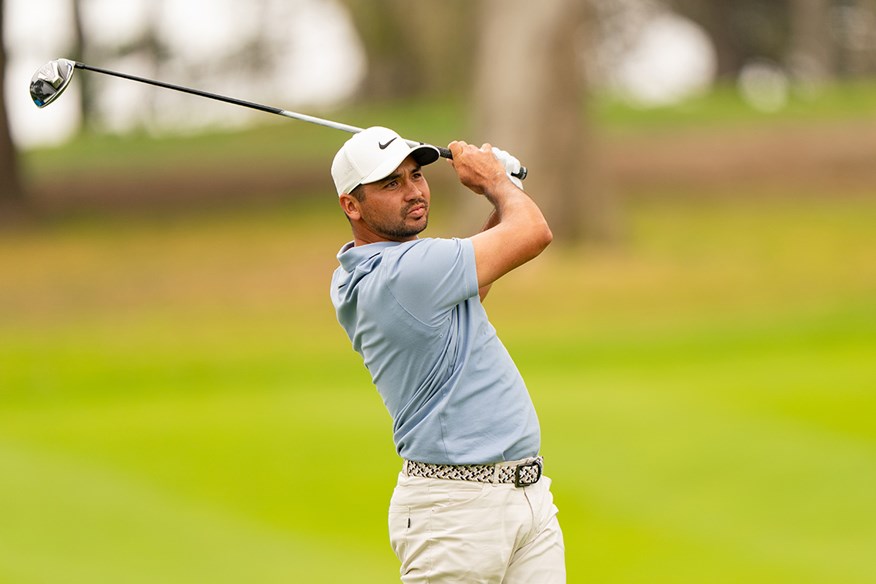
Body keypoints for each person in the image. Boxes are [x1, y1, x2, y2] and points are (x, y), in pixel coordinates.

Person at [329, 126, 565, 583]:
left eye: (416, 175)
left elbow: (477, 279)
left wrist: (504, 191)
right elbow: (533, 231)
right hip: (456, 514)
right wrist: (494, 181)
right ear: (350, 205)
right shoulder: (404, 273)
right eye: (391, 183)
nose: (414, 192)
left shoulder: (369, 271)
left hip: (524, 496)